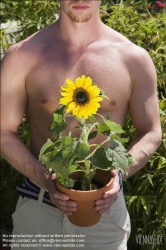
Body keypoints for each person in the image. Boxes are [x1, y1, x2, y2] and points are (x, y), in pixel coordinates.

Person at [1, 1, 162, 249]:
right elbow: (3, 132)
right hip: (39, 211)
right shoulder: (22, 55)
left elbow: (151, 132)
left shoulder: (133, 58)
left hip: (105, 213)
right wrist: (45, 179)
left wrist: (120, 174)